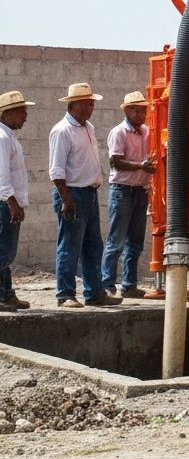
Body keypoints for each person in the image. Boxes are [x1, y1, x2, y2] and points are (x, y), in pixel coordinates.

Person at [48, 83, 122, 308]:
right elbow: (57, 170)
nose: (91, 108)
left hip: (89, 192)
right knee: (69, 245)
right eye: (88, 104)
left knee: (93, 245)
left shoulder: (87, 127)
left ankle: (94, 292)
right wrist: (66, 198)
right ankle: (65, 294)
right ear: (75, 105)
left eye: (92, 104)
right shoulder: (62, 131)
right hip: (72, 193)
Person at [101, 91, 154, 299]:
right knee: (116, 241)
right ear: (127, 110)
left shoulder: (146, 132)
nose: (140, 114)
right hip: (122, 191)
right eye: (136, 110)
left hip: (140, 191)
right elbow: (115, 161)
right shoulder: (119, 132)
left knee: (136, 241)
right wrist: (141, 166)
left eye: (143, 110)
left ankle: (129, 285)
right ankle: (107, 284)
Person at [0, 90, 35, 312]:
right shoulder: (3, 138)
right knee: (5, 253)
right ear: (8, 113)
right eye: (22, 111)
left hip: (9, 202)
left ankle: (6, 295)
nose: (25, 116)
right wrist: (12, 202)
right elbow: (2, 175)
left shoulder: (9, 136)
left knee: (4, 253)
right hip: (5, 204)